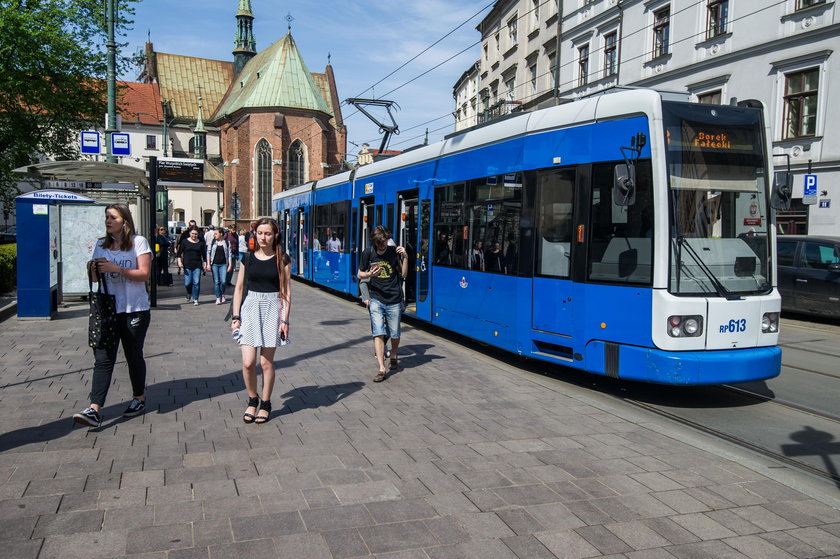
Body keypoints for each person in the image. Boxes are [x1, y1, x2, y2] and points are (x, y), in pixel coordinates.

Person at [73, 204, 152, 427]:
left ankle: (139, 398)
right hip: (108, 310)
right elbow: (96, 279)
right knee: (103, 359)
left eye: (112, 217)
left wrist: (117, 269)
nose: (108, 221)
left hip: (134, 309)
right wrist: (93, 268)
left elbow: (144, 274)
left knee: (133, 355)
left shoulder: (139, 242)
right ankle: (94, 409)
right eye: (106, 217)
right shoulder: (101, 245)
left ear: (124, 221)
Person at [231, 218, 291, 424]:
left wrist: (285, 320)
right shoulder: (247, 258)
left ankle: (265, 403)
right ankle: (252, 398)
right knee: (248, 363)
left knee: (265, 363)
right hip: (250, 309)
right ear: (254, 234)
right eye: (260, 233)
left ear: (275, 236)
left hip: (273, 309)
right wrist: (236, 315)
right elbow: (239, 288)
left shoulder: (282, 259)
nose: (263, 237)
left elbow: (286, 292)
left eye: (268, 233)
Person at [358, 225, 408, 382]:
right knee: (378, 332)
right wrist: (369, 274)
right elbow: (360, 274)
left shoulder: (393, 253)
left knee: (394, 333)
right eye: (381, 243)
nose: (384, 245)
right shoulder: (368, 253)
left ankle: (393, 354)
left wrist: (405, 257)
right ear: (375, 242)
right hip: (376, 299)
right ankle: (381, 368)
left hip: (393, 298)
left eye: (386, 242)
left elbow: (404, 274)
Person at [177, 226, 206, 305]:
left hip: (197, 265)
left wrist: (205, 264)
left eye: (196, 234)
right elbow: (179, 253)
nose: (194, 235)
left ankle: (195, 298)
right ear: (189, 233)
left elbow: (204, 255)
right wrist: (179, 262)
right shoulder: (184, 242)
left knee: (196, 282)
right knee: (188, 283)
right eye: (193, 233)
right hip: (187, 265)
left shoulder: (201, 243)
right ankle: (189, 292)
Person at [207, 227, 233, 305]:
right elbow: (208, 253)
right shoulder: (212, 242)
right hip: (214, 264)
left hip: (223, 264)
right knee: (216, 281)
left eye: (216, 233)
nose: (214, 235)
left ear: (221, 234)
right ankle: (218, 297)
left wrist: (230, 265)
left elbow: (229, 255)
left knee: (223, 281)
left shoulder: (227, 242)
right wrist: (208, 264)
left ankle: (222, 294)